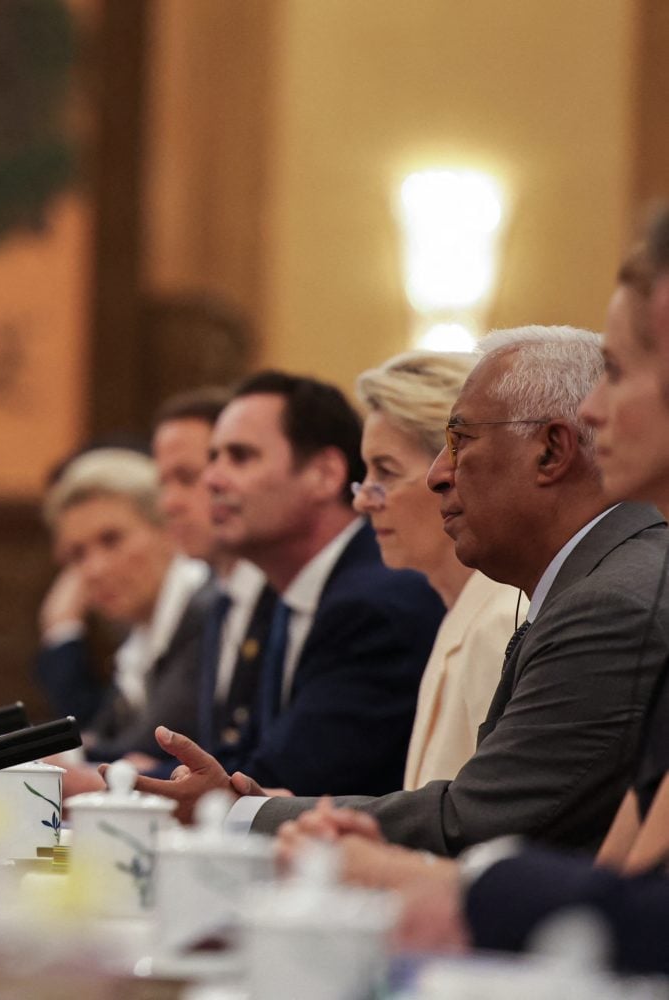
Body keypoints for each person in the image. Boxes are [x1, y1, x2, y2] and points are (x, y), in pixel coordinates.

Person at [294, 229, 669, 974]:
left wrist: (448, 882)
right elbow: (626, 887)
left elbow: (489, 826)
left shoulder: (619, 599)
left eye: (621, 371)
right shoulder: (577, 588)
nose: (594, 410)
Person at [212, 327, 669, 861]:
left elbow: (475, 822)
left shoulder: (608, 605)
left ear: (551, 451)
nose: (437, 476)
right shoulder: (587, 587)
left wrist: (242, 815)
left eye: (459, 441)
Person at [163, 372, 445, 796]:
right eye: (213, 458)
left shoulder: (377, 602)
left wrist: (111, 785)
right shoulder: (285, 593)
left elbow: (289, 782)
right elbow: (245, 757)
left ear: (325, 474)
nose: (212, 480)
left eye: (239, 457)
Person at [352, 352, 520, 788]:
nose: (363, 499)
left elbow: (481, 823)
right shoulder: (461, 613)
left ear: (451, 472)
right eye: (365, 474)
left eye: (385, 472)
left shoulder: (503, 622)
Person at [35, 448, 208, 763]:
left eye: (111, 540)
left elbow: (142, 749)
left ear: (168, 529)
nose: (94, 570)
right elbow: (101, 734)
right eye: (78, 555)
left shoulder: (208, 610)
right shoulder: (142, 634)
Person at [152, 388, 275, 763]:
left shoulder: (284, 596)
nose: (168, 503)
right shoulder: (215, 599)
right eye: (163, 483)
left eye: (187, 478)